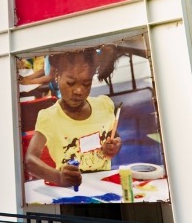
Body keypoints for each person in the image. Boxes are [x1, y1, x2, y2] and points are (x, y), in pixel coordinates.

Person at [24, 48, 122, 189]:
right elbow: (30, 160)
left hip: (104, 186)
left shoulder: (104, 105)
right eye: (70, 83)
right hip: (70, 192)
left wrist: (115, 145)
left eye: (86, 84)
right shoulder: (49, 117)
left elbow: (114, 137)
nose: (78, 91)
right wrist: (58, 177)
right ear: (57, 77)